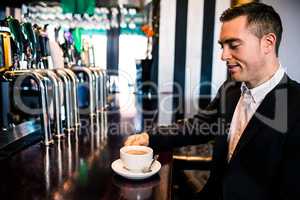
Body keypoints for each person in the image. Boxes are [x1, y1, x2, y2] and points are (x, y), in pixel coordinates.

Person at [124, 2, 300, 200]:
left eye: (233, 45)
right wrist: (149, 137)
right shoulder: (230, 89)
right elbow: (198, 126)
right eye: (222, 46)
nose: (224, 56)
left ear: (268, 43)